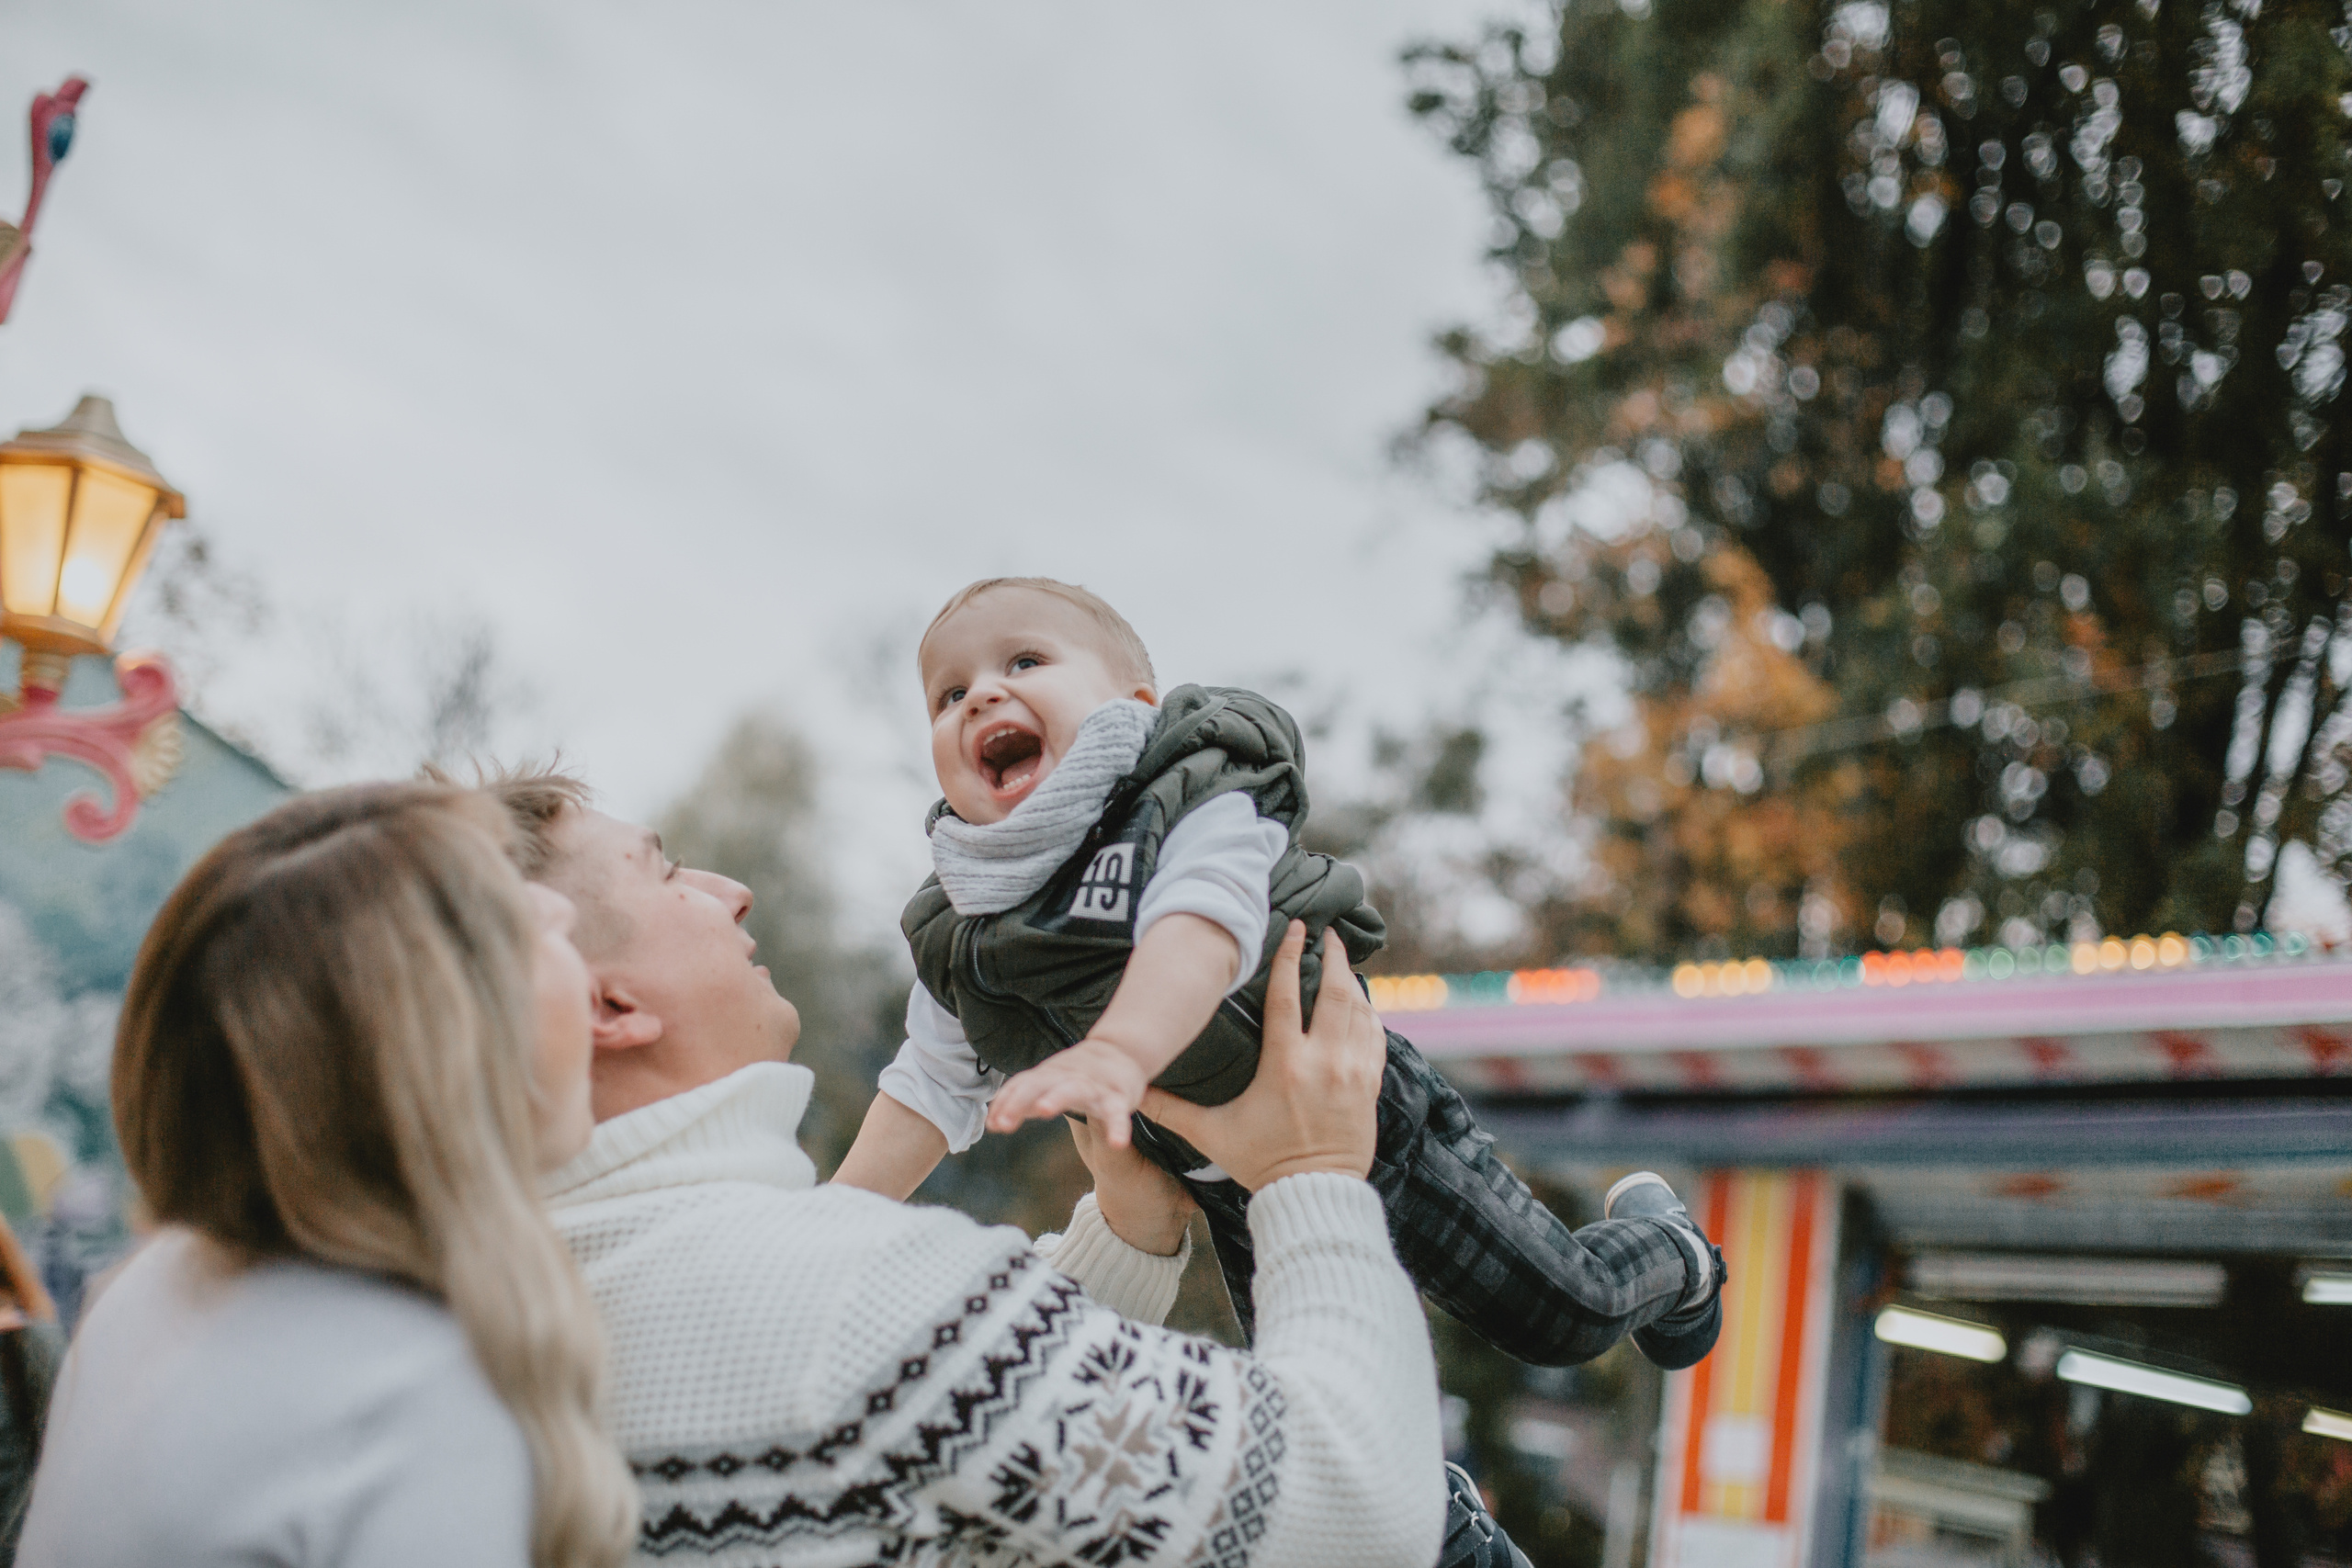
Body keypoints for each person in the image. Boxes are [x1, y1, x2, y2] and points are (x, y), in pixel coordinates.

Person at [481, 769, 1449, 1565]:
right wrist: (1311, 1176)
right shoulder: (839, 1294)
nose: (727, 889)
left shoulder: (517, 1309)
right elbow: (1354, 1512)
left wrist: (1123, 1237)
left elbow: (933, 1454)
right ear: (606, 1008)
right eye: (664, 873)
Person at [829, 576, 1723, 1373]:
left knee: (1560, 1321)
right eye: (948, 695)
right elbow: (929, 1085)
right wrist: (826, 1221)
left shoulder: (1192, 793)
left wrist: (1118, 1052)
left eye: (1024, 660)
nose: (982, 692)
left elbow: (1204, 927)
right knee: (1320, 1409)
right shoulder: (970, 921)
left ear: (1132, 704)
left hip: (1375, 1130)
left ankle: (1674, 1253)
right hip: (1238, 1190)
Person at [17, 783, 638, 1568]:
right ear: (443, 1048)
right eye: (520, 921)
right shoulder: (416, 1385)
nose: (563, 916)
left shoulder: (152, 1290)